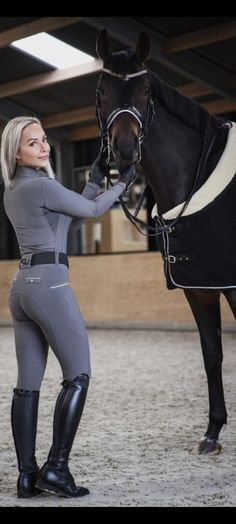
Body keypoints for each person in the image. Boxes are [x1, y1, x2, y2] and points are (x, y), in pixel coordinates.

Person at [1, 116, 137, 499]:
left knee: (26, 386)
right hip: (50, 285)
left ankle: (27, 476)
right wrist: (123, 184)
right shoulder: (43, 185)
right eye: (33, 143)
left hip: (21, 288)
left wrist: (94, 183)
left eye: (44, 139)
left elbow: (64, 228)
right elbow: (92, 213)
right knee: (78, 375)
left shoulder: (15, 189)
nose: (43, 147)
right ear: (15, 151)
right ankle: (57, 469)